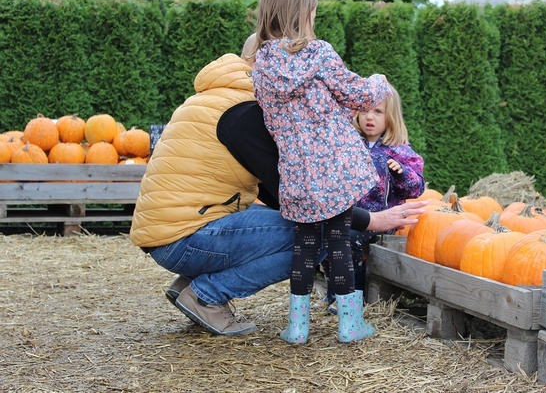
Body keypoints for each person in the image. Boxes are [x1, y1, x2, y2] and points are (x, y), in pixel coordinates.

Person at [130, 50, 427, 338]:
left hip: (176, 230)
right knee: (321, 233)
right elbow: (298, 196)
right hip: (183, 239)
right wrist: (370, 220)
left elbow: (276, 193)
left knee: (307, 223)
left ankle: (190, 285)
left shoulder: (218, 96)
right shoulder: (243, 113)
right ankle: (206, 294)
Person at [248, 0, 391, 344]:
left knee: (305, 247)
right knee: (340, 240)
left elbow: (284, 115)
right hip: (335, 171)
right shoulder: (318, 53)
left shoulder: (261, 66)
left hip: (296, 174)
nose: (314, 19)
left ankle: (298, 327)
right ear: (300, 14)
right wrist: (379, 80)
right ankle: (350, 325)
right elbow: (357, 96)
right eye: (311, 12)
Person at [321, 84, 425, 310]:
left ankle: (352, 297)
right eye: (364, 110)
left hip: (382, 219)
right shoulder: (349, 144)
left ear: (390, 116)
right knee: (328, 235)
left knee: (347, 239)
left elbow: (416, 188)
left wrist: (402, 172)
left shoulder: (398, 150)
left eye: (378, 112)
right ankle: (334, 294)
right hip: (351, 214)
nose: (370, 117)